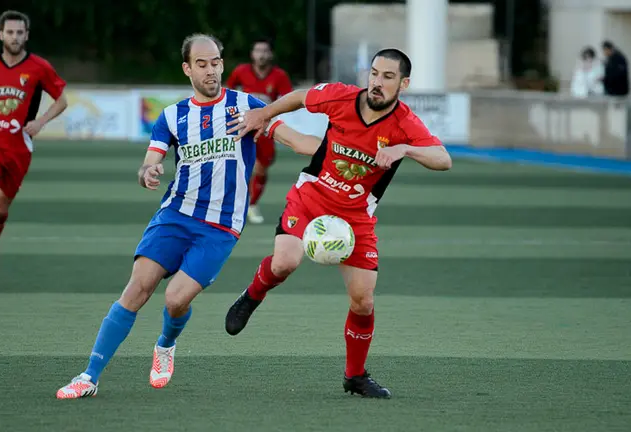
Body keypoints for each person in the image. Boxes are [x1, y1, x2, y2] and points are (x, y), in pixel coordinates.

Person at [55, 33, 315, 399]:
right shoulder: (172, 116)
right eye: (202, 64)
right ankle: (89, 376)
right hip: (175, 214)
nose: (211, 71)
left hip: (220, 227)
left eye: (216, 63)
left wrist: (341, 151)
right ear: (187, 68)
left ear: (223, 64)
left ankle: (165, 344)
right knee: (137, 288)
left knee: (175, 301)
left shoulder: (248, 106)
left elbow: (297, 140)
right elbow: (151, 160)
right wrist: (148, 172)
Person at [224, 48, 453, 398]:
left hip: (357, 216)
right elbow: (300, 97)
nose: (377, 82)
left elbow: (443, 159)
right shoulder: (341, 96)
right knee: (285, 261)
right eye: (374, 73)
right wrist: (265, 114)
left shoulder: (405, 123)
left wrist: (405, 150)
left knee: (363, 300)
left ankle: (355, 376)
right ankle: (251, 296)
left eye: (388, 77)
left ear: (404, 84)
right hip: (311, 197)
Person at [0, 10, 68, 283]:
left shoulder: (39, 67)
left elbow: (61, 100)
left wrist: (41, 121)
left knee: (0, 209)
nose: (15, 37)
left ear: (27, 35)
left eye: (20, 32)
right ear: (1, 34)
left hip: (18, 146)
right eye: (10, 32)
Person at [226, 38, 293, 224]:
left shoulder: (279, 76)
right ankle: (239, 205)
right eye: (257, 50)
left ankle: (252, 203)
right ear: (252, 54)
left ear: (270, 54)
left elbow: (288, 99)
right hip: (242, 126)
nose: (261, 54)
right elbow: (226, 92)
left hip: (265, 129)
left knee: (262, 169)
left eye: (265, 51)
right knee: (242, 167)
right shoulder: (241, 71)